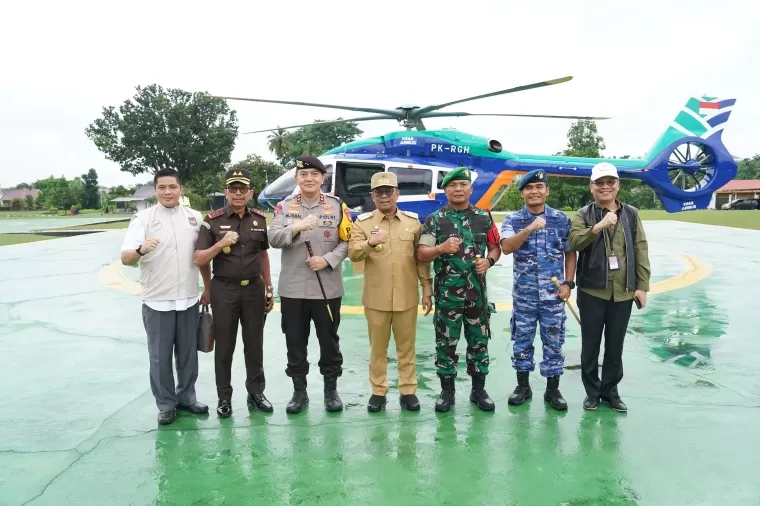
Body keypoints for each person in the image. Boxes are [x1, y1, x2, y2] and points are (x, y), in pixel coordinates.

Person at [120, 168, 210, 425]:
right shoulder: (143, 219)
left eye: (173, 187)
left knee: (188, 354)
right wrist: (140, 248)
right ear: (155, 190)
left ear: (181, 189)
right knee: (160, 357)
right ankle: (166, 404)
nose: (168, 192)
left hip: (189, 298)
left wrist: (208, 288)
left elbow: (201, 257)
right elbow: (126, 258)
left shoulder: (194, 217)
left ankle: (187, 398)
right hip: (157, 300)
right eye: (162, 187)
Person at [268, 155, 353, 414]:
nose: (308, 179)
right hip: (293, 289)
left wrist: (327, 260)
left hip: (327, 288)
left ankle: (331, 391)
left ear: (322, 178)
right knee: (295, 341)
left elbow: (348, 241)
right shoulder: (283, 208)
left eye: (314, 174)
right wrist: (296, 227)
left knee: (329, 342)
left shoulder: (338, 206)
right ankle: (299, 392)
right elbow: (273, 237)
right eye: (303, 175)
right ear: (296, 179)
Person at [417, 167, 502, 412]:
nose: (458, 189)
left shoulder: (483, 217)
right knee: (446, 343)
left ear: (470, 189)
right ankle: (447, 392)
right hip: (447, 296)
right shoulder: (435, 219)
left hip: (477, 295)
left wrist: (489, 261)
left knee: (479, 342)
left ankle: (478, 390)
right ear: (445, 190)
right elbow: (422, 254)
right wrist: (440, 249)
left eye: (463, 185)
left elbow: (495, 247)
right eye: (453, 185)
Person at [568, 162, 650, 412]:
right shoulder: (582, 215)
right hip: (592, 289)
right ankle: (592, 392)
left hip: (624, 290)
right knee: (590, 345)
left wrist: (642, 285)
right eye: (599, 183)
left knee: (615, 345)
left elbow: (640, 248)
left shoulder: (632, 213)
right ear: (591, 187)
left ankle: (611, 392)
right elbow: (574, 242)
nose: (605, 187)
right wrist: (598, 227)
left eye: (610, 182)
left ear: (617, 185)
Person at [348, 171, 433, 412]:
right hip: (376, 298)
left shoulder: (413, 223)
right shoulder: (363, 223)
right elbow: (353, 253)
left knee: (407, 347)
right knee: (378, 349)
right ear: (372, 196)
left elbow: (421, 260)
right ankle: (378, 391)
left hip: (407, 297)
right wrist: (370, 243)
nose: (384, 196)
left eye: (389, 191)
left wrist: (427, 288)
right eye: (379, 192)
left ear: (397, 193)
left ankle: (408, 390)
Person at [193, 168, 275, 418]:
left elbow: (263, 255)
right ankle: (224, 397)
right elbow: (199, 259)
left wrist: (269, 288)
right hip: (223, 290)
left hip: (253, 289)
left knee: (254, 345)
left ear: (251, 192)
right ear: (226, 192)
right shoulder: (212, 220)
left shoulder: (259, 219)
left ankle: (256, 392)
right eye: (233, 189)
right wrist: (220, 245)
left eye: (243, 189)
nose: (238, 193)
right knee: (225, 347)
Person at [499, 169, 576, 411]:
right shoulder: (513, 220)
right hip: (524, 296)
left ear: (547, 191)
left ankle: (553, 390)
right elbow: (507, 248)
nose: (534, 191)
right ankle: (523, 386)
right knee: (522, 341)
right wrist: (529, 228)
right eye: (529, 188)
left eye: (539, 187)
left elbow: (570, 252)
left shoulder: (561, 219)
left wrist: (568, 283)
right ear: (522, 193)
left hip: (553, 295)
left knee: (553, 341)